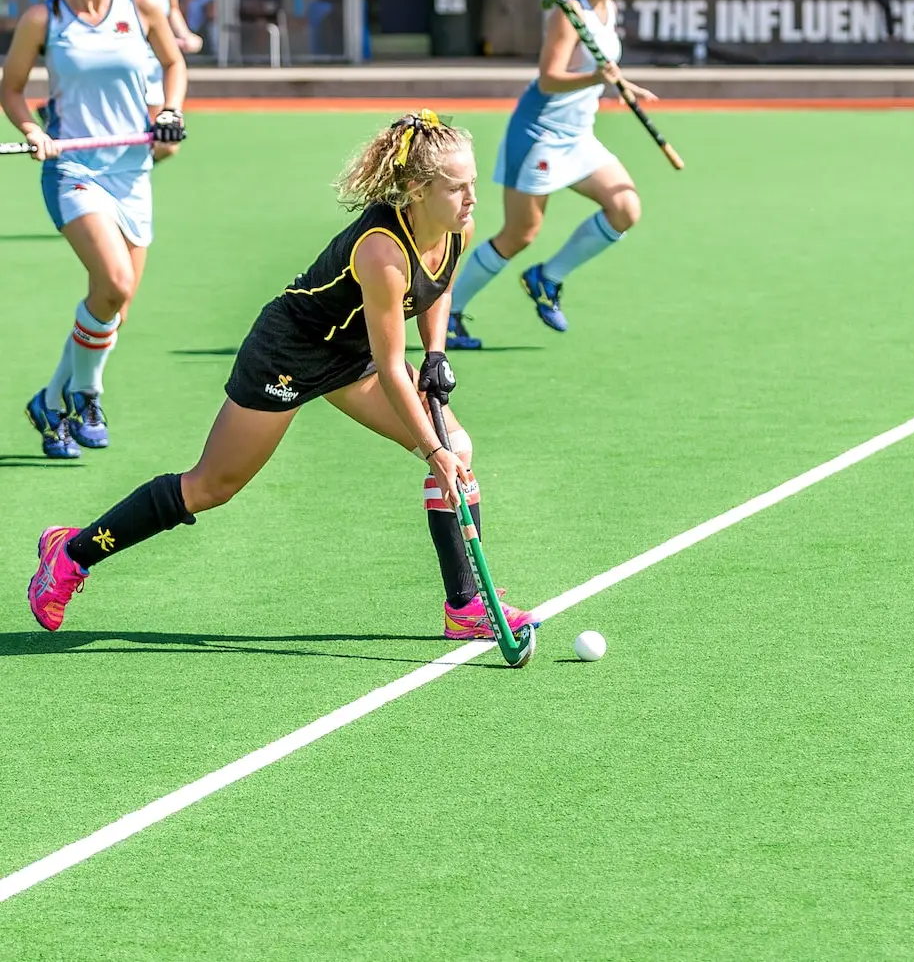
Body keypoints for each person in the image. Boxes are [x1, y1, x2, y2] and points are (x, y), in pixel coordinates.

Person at [25, 113, 537, 644]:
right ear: (416, 189)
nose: (472, 197)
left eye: (473, 184)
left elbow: (437, 282)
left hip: (349, 352)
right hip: (288, 353)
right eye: (457, 188)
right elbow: (389, 370)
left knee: (459, 445)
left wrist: (435, 351)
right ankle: (71, 553)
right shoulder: (382, 251)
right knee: (211, 486)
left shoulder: (456, 225)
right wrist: (433, 454)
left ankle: (466, 607)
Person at [0, 0, 187, 459]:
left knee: (113, 308)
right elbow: (10, 89)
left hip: (134, 171)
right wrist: (33, 129)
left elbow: (173, 66)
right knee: (115, 283)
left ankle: (50, 401)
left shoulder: (144, 6)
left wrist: (169, 114)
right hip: (74, 170)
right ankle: (87, 392)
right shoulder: (44, 19)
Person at [446, 0, 657, 350]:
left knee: (625, 206)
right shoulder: (570, 12)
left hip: (578, 137)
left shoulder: (607, 9)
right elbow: (548, 79)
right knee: (520, 233)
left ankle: (547, 278)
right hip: (539, 133)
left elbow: (597, 70)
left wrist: (617, 83)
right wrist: (595, 76)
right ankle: (449, 313)